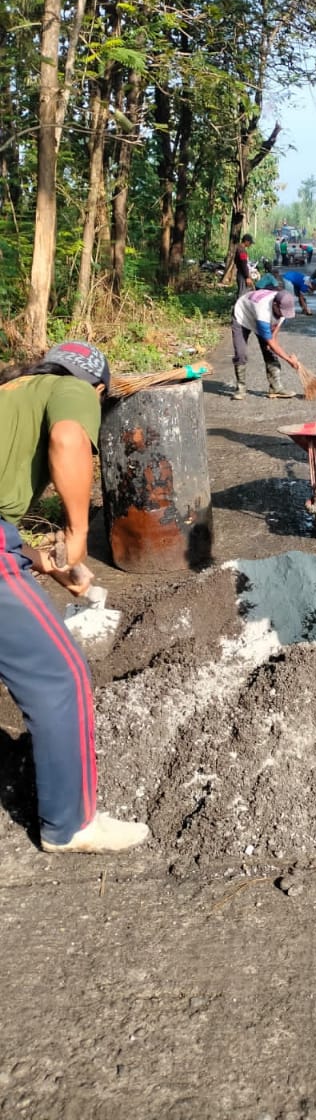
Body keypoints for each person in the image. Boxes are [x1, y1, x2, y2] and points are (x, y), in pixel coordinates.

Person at [0, 341, 150, 854]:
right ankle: (72, 823)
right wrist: (79, 528)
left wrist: (56, 568)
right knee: (60, 675)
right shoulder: (73, 390)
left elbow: (10, 541)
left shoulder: (11, 392)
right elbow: (67, 439)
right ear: (99, 387)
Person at [229, 288, 300, 400]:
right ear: (275, 305)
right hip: (242, 316)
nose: (283, 315)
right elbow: (270, 340)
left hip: (258, 316)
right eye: (281, 312)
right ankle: (241, 387)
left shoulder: (282, 306)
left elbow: (276, 328)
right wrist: (289, 360)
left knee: (270, 351)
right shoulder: (263, 311)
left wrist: (272, 343)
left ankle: (275, 387)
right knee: (240, 353)